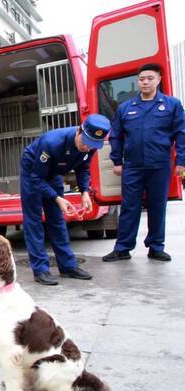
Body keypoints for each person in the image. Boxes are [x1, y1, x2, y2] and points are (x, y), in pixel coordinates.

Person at [102, 63, 185, 263]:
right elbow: (116, 137)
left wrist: (181, 161)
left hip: (159, 164)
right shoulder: (125, 108)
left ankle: (156, 247)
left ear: (158, 80)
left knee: (157, 206)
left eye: (149, 78)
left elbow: (181, 134)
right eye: (141, 79)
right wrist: (117, 160)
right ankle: (123, 248)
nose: (145, 82)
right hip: (132, 166)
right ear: (137, 82)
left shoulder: (171, 105)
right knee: (129, 207)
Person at [20, 114, 111, 285]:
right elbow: (37, 178)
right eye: (85, 142)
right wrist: (56, 198)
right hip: (33, 171)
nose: (87, 147)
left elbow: (83, 168)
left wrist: (84, 191)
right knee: (33, 221)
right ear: (79, 131)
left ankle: (68, 266)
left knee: (57, 220)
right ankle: (40, 270)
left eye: (92, 145)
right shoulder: (52, 143)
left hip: (54, 173)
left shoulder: (89, 147)